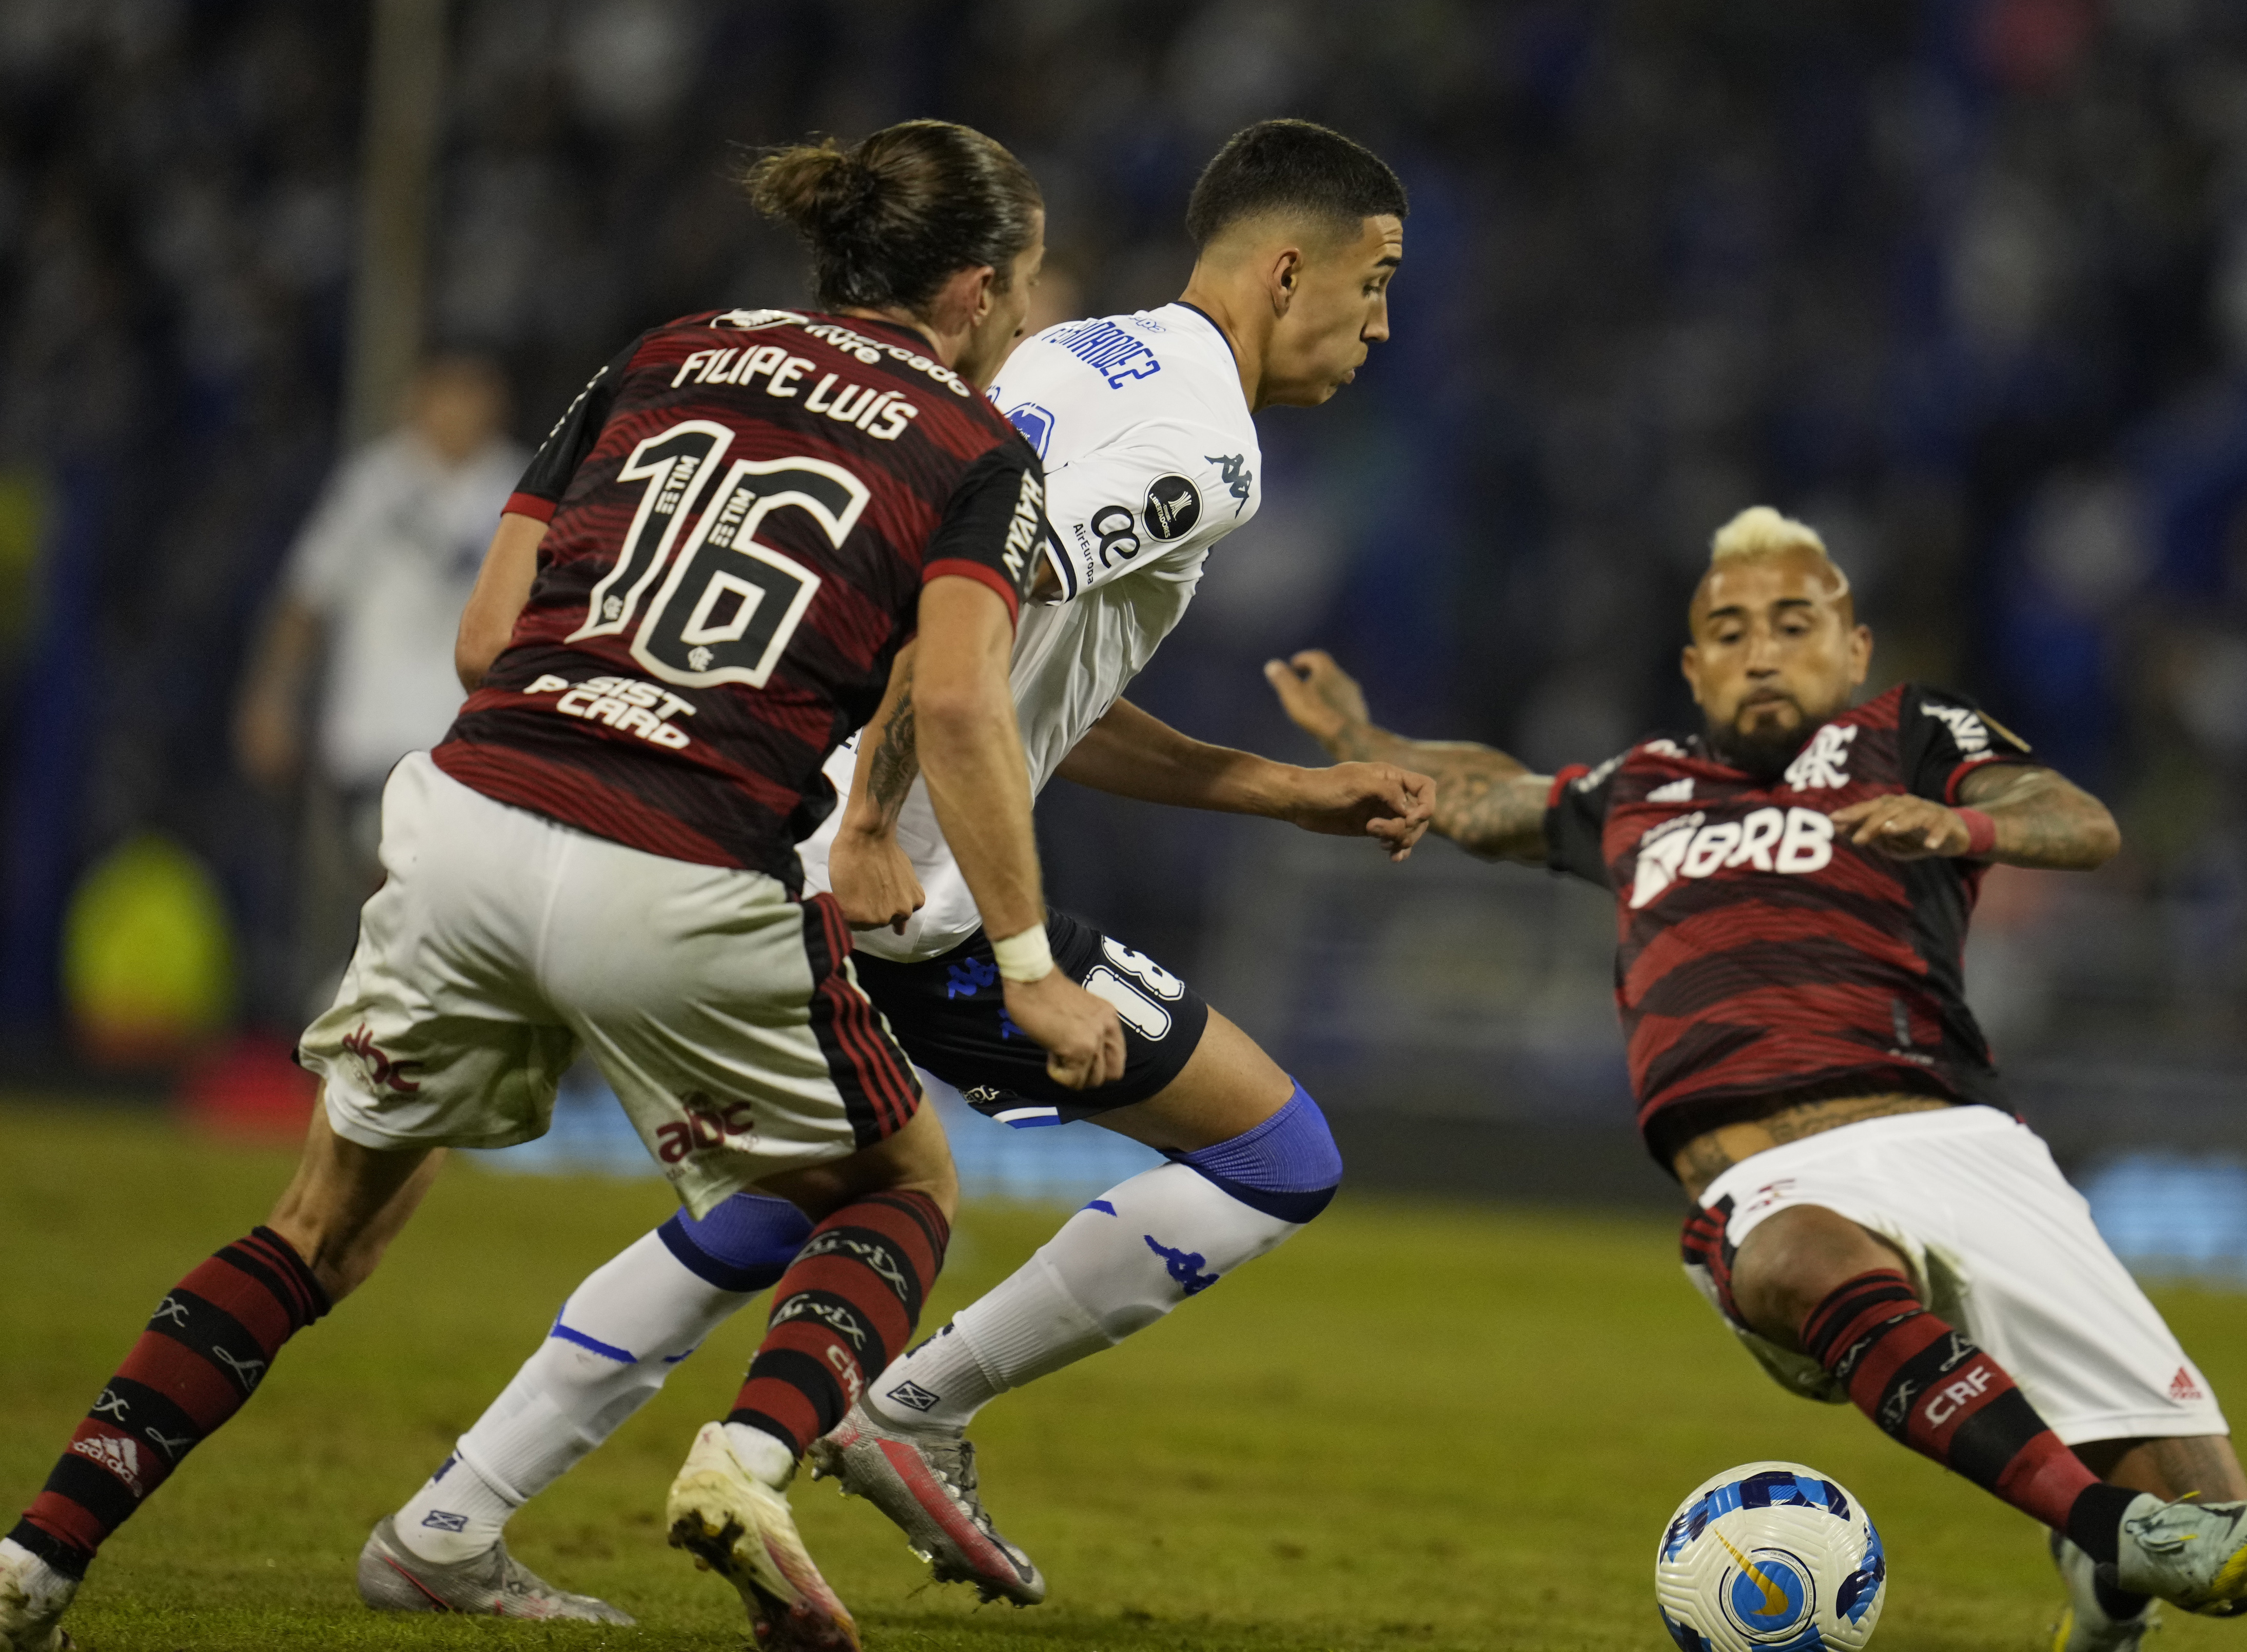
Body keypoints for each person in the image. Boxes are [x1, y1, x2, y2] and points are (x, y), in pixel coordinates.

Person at [0, 120, 1128, 1652]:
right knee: (898, 1187)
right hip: (677, 862)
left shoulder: (663, 354)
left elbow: (483, 640)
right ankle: (745, 1463)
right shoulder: (976, 450)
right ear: (987, 286)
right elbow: (957, 704)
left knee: (319, 1227)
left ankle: (40, 1559)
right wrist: (1025, 958)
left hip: (471, 809)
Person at [356, 118, 1431, 1617]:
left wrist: (1283, 791)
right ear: (1288, 267)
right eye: (1376, 285)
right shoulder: (1207, 452)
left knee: (781, 1203)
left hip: (772, 845)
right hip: (895, 884)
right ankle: (902, 1406)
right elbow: (949, 650)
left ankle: (450, 1524)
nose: (1380, 326)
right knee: (1273, 1154)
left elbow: (1031, 678)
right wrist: (872, 825)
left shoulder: (1071, 356)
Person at [1261, 507, 2247, 1651]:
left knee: (2225, 1549)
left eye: (1793, 624)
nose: (1760, 649)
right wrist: (1359, 726)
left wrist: (1954, 824)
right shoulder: (1636, 785)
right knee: (1801, 1253)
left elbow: (2076, 820)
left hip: (1958, 1135)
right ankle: (2106, 1520)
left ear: (1854, 650)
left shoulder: (1908, 732)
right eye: (1729, 629)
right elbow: (1479, 794)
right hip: (1768, 1174)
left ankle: (2109, 1576)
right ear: (1694, 666)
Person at [235, 353, 524, 999]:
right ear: (419, 397)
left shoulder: (519, 488)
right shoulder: (374, 484)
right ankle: (378, 1006)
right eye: (447, 390)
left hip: (471, 740)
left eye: (474, 391)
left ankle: (369, 1003)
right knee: (405, 880)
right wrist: (271, 696)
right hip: (372, 738)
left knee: (431, 896)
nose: (459, 407)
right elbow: (307, 598)